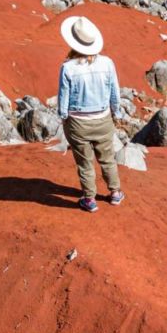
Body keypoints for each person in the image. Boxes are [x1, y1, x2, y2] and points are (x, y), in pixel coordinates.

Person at [57, 15, 124, 213]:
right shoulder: (107, 63)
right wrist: (117, 113)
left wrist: (63, 117)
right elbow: (115, 91)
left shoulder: (68, 67)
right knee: (107, 158)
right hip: (103, 120)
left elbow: (64, 96)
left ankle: (89, 199)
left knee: (84, 163)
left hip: (78, 123)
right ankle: (115, 193)